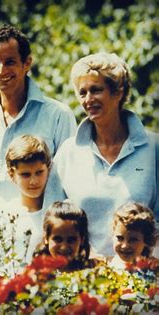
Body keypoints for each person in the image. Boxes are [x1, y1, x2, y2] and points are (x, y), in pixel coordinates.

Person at [53, 52, 159, 257]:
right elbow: (53, 219)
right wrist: (90, 260)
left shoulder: (154, 147)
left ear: (118, 92)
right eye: (82, 93)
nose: (88, 99)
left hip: (144, 278)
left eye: (96, 90)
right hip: (83, 278)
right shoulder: (69, 152)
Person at [0, 24, 76, 214]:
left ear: (27, 63)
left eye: (10, 62)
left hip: (42, 230)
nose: (1, 70)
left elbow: (70, 182)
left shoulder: (58, 115)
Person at [0, 135, 52, 276]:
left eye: (39, 172)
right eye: (25, 175)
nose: (33, 181)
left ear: (48, 168)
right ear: (11, 174)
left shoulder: (55, 215)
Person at [33, 201, 98, 272]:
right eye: (58, 239)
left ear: (82, 240)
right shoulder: (38, 273)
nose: (64, 247)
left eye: (71, 240)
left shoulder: (91, 271)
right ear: (46, 238)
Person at [109, 202, 157, 270]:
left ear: (146, 240)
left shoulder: (153, 269)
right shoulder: (105, 268)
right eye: (120, 238)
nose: (124, 245)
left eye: (133, 239)